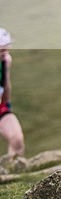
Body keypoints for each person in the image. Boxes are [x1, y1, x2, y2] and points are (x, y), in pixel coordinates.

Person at [0, 28, 25, 157]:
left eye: (7, 48)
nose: (5, 52)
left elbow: (6, 84)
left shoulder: (6, 60)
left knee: (17, 140)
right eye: (2, 49)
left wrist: (7, 105)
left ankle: (13, 174)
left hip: (0, 106)